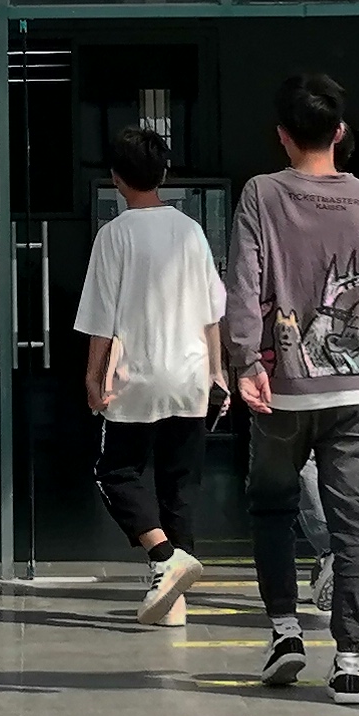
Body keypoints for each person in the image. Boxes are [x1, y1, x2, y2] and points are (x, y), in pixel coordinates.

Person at [223, 69, 359, 706]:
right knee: (354, 526)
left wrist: (245, 361)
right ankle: (351, 662)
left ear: (281, 134)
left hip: (282, 386)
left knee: (273, 507)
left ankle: (284, 631)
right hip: (355, 389)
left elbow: (243, 283)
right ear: (339, 131)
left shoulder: (261, 194)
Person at [73, 124, 227, 626]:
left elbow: (101, 318)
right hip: (190, 375)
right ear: (165, 173)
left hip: (136, 377)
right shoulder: (191, 231)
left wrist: (93, 377)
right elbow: (212, 312)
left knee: (114, 472)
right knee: (179, 487)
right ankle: (173, 603)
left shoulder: (114, 235)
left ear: (116, 177)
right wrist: (217, 372)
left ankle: (163, 558)